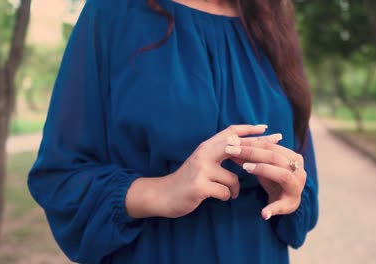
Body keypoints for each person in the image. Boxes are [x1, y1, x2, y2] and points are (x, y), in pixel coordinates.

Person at [28, 0, 319, 263]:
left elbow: (304, 199)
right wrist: (162, 191)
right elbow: (60, 178)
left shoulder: (270, 17)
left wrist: (289, 187)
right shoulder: (111, 11)